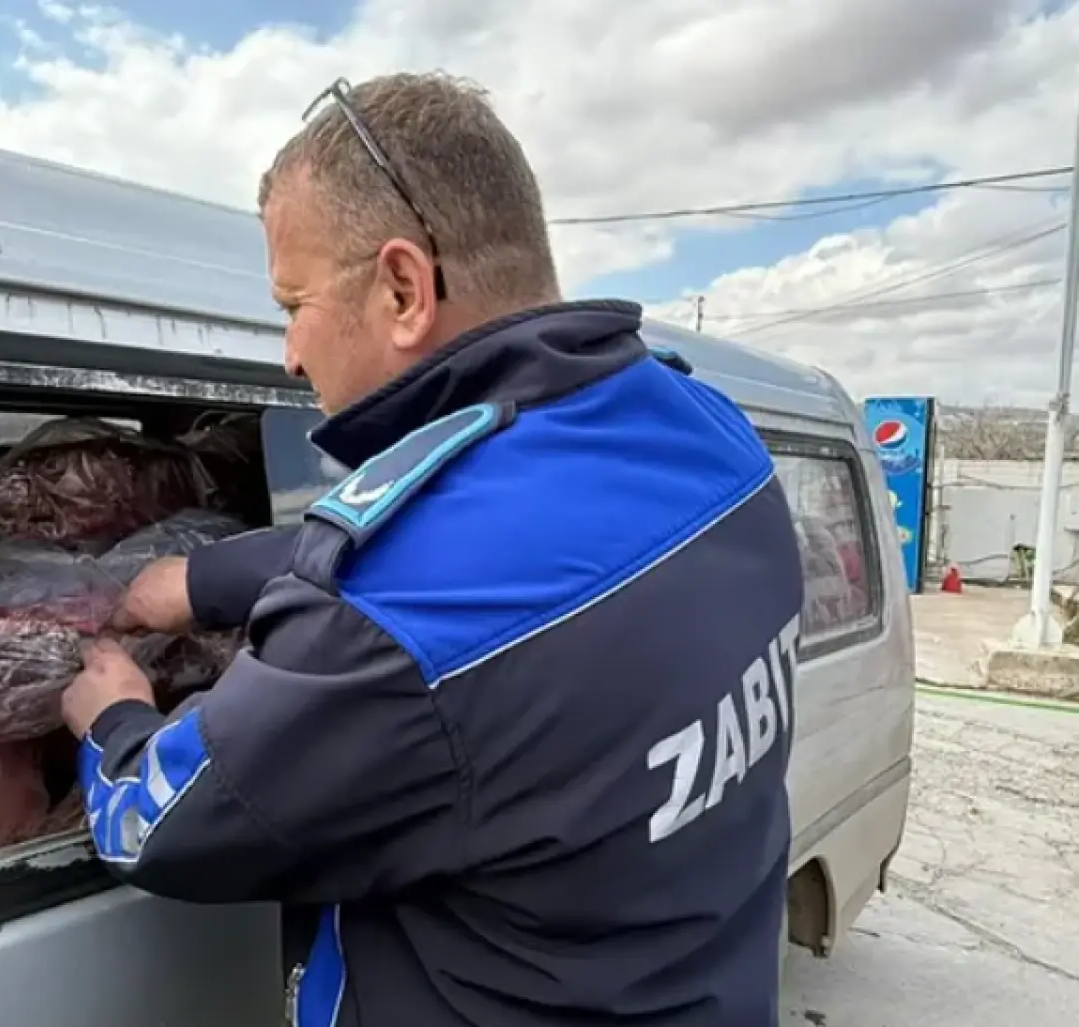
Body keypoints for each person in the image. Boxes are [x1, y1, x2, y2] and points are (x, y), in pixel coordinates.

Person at [62, 71, 805, 1027]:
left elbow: (170, 823)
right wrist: (203, 579)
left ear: (405, 289)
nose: (290, 353)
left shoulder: (403, 611)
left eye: (292, 304)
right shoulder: (713, 435)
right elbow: (489, 543)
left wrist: (114, 719)